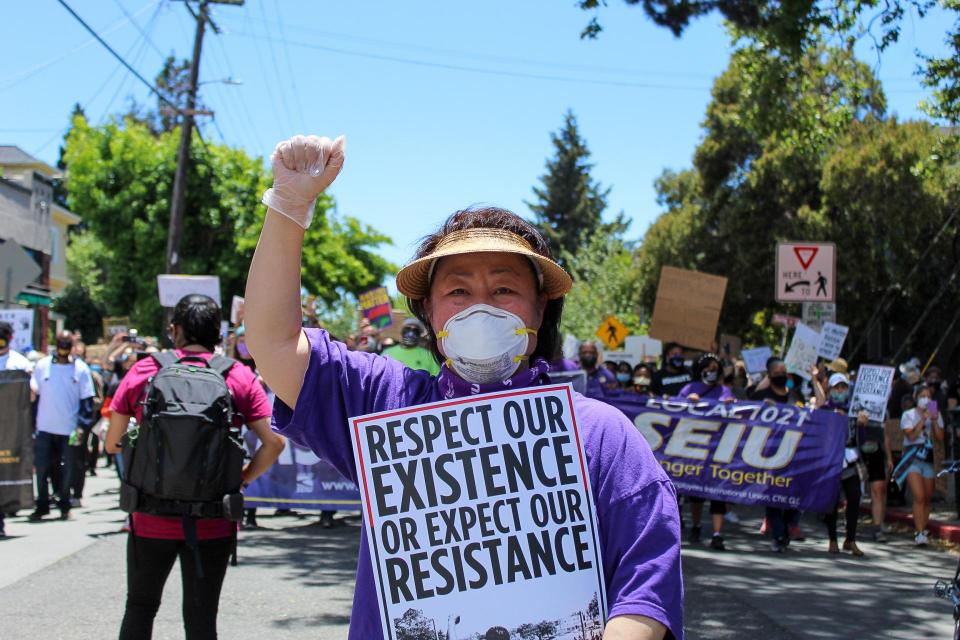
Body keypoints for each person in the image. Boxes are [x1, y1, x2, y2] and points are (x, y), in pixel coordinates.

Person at [245, 134, 683, 640]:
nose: (482, 306)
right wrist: (290, 203)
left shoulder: (602, 436)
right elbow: (274, 344)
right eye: (458, 290)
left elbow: (645, 591)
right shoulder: (384, 404)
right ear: (428, 312)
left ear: (540, 308)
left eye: (504, 289)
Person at [105, 294, 285, 639]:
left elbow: (113, 442)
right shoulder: (238, 377)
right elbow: (274, 443)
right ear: (218, 333)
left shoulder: (145, 370)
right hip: (213, 520)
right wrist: (241, 481)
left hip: (149, 517)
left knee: (140, 607)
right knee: (201, 620)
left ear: (175, 331)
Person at [28, 331, 96, 521]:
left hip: (70, 428)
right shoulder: (42, 366)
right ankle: (42, 504)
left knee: (68, 467)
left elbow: (86, 401)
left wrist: (82, 426)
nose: (63, 349)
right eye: (61, 345)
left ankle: (65, 504)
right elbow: (35, 394)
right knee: (41, 467)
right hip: (44, 427)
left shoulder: (81, 369)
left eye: (67, 345)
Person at [677, 353, 733, 550]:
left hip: (718, 449)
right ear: (701, 370)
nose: (712, 372)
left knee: (718, 492)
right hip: (694, 448)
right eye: (708, 368)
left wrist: (731, 405)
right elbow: (673, 412)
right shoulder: (688, 389)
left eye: (715, 368)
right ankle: (697, 525)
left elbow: (735, 413)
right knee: (696, 493)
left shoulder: (724, 391)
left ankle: (717, 534)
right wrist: (687, 401)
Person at [818, 372, 867, 557]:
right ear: (830, 390)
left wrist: (862, 425)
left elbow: (859, 441)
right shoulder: (824, 410)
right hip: (831, 461)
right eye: (837, 388)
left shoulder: (854, 410)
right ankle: (832, 539)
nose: (840, 391)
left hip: (850, 460)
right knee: (832, 499)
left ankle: (850, 539)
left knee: (854, 496)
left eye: (843, 387)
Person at [894, 386, 944, 546]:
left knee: (927, 498)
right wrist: (923, 419)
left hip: (929, 460)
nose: (926, 399)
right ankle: (920, 532)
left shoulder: (936, 414)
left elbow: (940, 437)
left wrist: (934, 420)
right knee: (919, 496)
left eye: (928, 397)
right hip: (913, 459)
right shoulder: (908, 415)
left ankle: (924, 526)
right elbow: (911, 435)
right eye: (922, 396)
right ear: (916, 398)